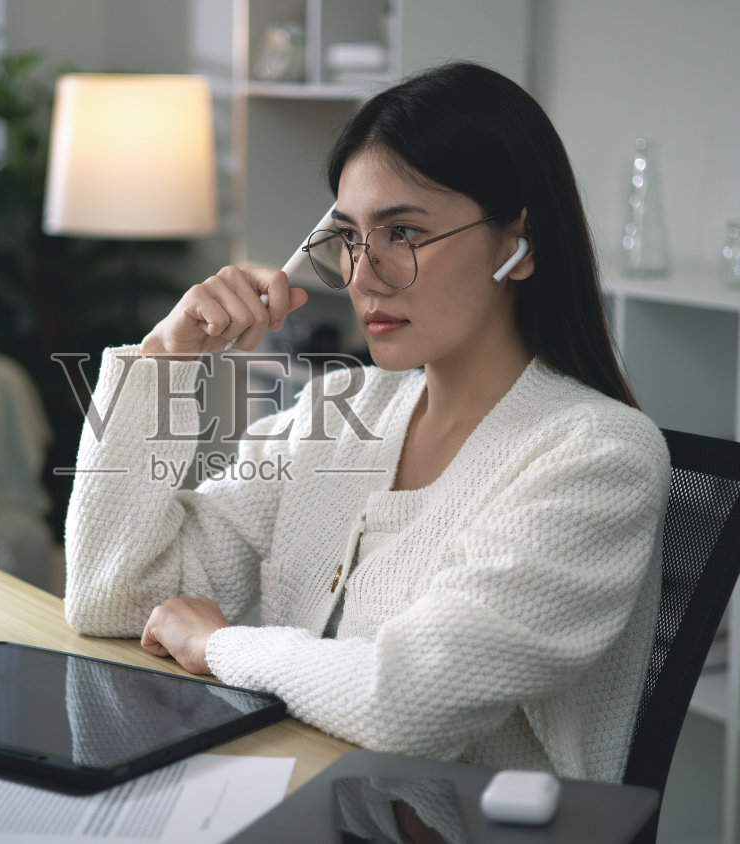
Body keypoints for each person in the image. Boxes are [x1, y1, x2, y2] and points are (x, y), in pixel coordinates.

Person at [62, 61, 669, 783]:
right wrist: (165, 355)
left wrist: (220, 645)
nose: (362, 273)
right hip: (293, 799)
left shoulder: (601, 455)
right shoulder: (336, 413)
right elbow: (113, 596)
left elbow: (408, 704)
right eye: (350, 236)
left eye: (404, 233)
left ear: (519, 244)